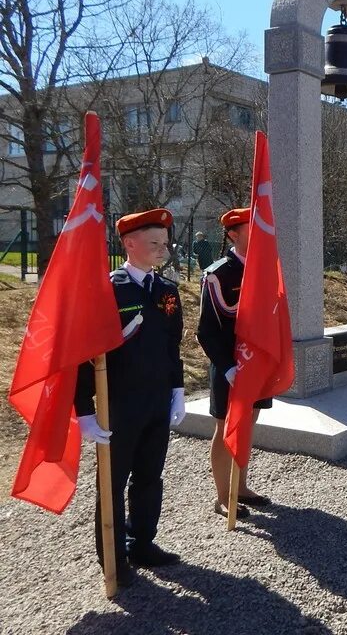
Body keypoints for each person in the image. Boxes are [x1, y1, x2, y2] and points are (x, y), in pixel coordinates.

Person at [74, 208, 184, 586]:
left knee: (150, 476)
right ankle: (112, 556)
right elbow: (82, 352)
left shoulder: (166, 290)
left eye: (164, 244)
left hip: (156, 399)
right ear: (129, 244)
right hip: (117, 402)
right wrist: (83, 410)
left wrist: (177, 388)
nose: (162, 250)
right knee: (114, 480)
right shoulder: (108, 288)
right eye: (154, 243)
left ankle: (142, 543)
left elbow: (173, 344)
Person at [197, 208, 274, 520]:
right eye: (250, 229)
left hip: (257, 366)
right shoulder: (218, 274)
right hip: (229, 367)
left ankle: (240, 486)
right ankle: (223, 496)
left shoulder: (264, 270)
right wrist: (229, 368)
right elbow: (205, 331)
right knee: (225, 426)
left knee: (249, 422)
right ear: (232, 235)